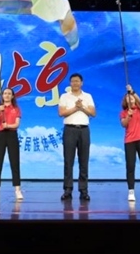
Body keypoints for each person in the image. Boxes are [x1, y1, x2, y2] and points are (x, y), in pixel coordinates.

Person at [58, 73, 96, 201]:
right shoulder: (64, 96)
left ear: (81, 83)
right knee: (68, 161)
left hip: (84, 130)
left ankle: (83, 190)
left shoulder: (87, 96)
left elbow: (93, 113)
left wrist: (82, 107)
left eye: (77, 81)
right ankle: (67, 189)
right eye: (73, 81)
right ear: (70, 83)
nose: (75, 83)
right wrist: (75, 108)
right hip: (69, 130)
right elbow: (61, 113)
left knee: (84, 161)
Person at [0, 87, 23, 200]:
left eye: (9, 93)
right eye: (5, 93)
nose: (7, 95)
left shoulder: (16, 108)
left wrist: (8, 125)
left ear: (12, 96)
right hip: (0, 135)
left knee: (14, 162)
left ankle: (17, 190)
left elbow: (17, 124)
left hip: (12, 135)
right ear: (2, 96)